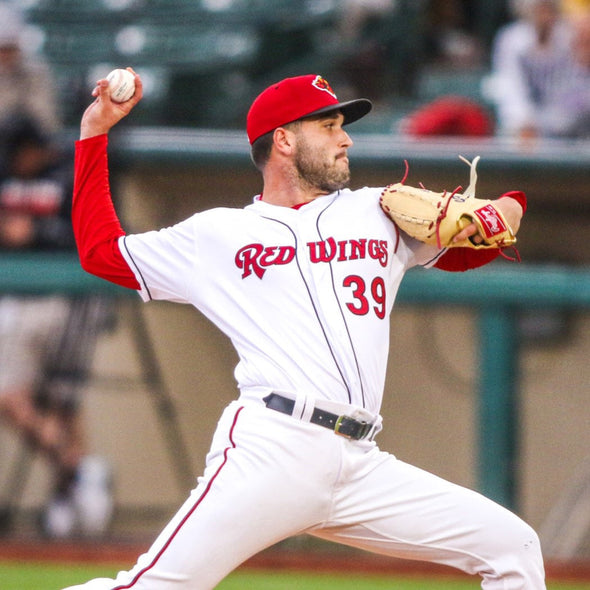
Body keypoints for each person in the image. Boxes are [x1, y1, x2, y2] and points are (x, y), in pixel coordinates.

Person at [64, 71, 545, 589]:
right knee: (156, 586)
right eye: (330, 124)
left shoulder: (377, 209)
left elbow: (477, 244)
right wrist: (95, 131)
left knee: (512, 548)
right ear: (285, 139)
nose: (346, 138)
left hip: (360, 462)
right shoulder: (217, 234)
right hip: (274, 447)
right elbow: (100, 253)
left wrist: (502, 211)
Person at [0, 116, 113, 539]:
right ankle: (80, 471)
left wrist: (37, 232)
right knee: (11, 395)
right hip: (17, 299)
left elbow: (86, 231)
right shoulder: (6, 175)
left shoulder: (63, 175)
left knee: (62, 400)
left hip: (63, 297)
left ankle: (70, 487)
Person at [488, 0, 589, 139]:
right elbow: (510, 87)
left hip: (569, 130)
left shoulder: (569, 37)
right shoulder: (512, 39)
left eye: (549, 10)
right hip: (524, 131)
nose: (545, 17)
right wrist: (523, 122)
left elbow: (578, 88)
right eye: (539, 10)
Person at [0, 2, 61, 135]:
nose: (5, 55)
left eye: (9, 49)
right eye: (2, 50)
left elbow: (46, 119)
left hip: (27, 142)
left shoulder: (35, 71)